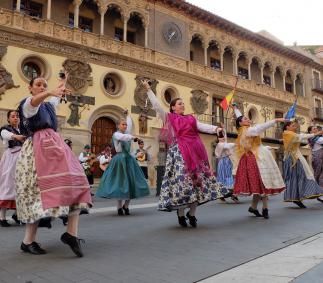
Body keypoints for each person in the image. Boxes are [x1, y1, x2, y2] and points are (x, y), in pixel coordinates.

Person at [16, 76, 92, 256]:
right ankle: (28, 241)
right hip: (36, 151)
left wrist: (63, 84)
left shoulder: (49, 106)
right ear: (30, 87)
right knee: (37, 194)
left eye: (45, 85)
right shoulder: (27, 105)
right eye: (38, 85)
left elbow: (55, 98)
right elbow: (33, 103)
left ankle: (71, 234)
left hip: (57, 147)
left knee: (77, 183)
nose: (42, 87)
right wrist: (49, 91)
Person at [142, 80, 229, 228]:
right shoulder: (169, 117)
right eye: (179, 103)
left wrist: (216, 129)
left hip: (195, 152)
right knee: (183, 184)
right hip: (179, 153)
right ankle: (181, 213)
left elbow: (202, 126)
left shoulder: (191, 118)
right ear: (173, 108)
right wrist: (149, 90)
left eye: (183, 103)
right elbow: (157, 106)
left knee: (197, 183)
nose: (182, 105)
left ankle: (192, 214)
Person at [232, 104, 285, 219]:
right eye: (245, 119)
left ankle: (254, 207)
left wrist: (235, 109)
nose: (247, 118)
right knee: (263, 183)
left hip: (252, 157)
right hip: (256, 158)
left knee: (258, 186)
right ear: (241, 123)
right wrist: (275, 120)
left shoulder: (242, 130)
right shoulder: (249, 130)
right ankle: (265, 208)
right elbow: (260, 127)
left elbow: (240, 118)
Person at [96, 111, 150, 215]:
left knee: (131, 183)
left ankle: (126, 205)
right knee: (120, 184)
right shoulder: (116, 134)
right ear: (118, 126)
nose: (125, 126)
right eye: (123, 124)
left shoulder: (127, 133)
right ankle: (119, 207)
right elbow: (123, 137)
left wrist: (127, 115)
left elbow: (129, 127)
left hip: (129, 160)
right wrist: (133, 137)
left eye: (125, 124)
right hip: (120, 160)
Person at [283, 121, 323, 208]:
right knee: (295, 177)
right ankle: (296, 198)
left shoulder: (291, 134)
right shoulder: (288, 134)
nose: (295, 127)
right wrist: (317, 133)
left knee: (300, 176)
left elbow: (300, 137)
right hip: (292, 158)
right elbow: (301, 136)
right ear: (287, 127)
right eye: (293, 126)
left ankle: (298, 198)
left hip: (297, 157)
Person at [0, 110, 25, 227]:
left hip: (22, 160)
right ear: (8, 119)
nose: (16, 118)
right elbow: (6, 135)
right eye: (13, 116)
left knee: (21, 186)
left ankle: (16, 214)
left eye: (17, 116)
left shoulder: (23, 129)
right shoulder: (5, 129)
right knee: (8, 185)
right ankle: (2, 217)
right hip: (11, 159)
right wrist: (15, 136)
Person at [214, 129, 239, 203]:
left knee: (231, 176)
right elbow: (227, 146)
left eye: (223, 136)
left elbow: (226, 141)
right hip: (223, 162)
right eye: (221, 137)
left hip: (229, 161)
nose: (223, 138)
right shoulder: (220, 145)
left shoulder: (224, 143)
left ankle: (233, 194)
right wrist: (237, 144)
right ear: (218, 138)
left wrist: (224, 129)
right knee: (224, 177)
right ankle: (224, 195)